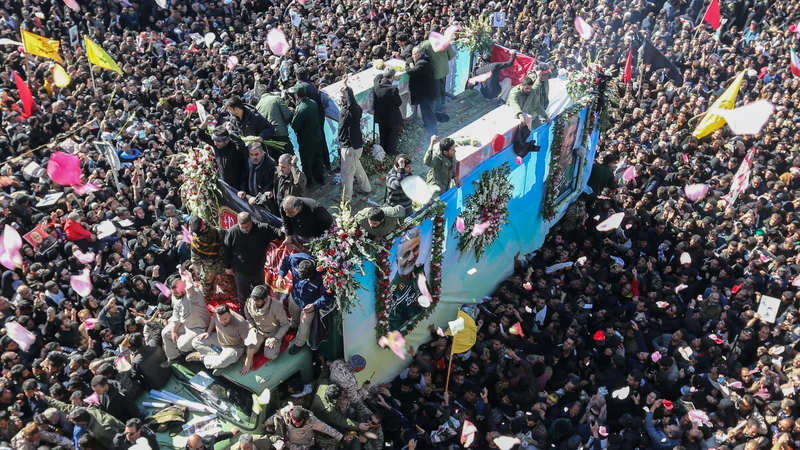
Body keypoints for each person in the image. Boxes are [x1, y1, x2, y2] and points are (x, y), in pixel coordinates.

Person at [223, 212, 283, 309]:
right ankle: (244, 310)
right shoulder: (232, 232)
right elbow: (226, 250)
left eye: (247, 226)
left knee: (261, 292)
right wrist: (227, 266)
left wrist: (285, 232)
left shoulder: (262, 229)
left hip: (258, 269)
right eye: (242, 227)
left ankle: (263, 309)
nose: (245, 229)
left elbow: (278, 233)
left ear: (251, 222)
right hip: (241, 271)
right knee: (243, 295)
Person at [277, 254, 334, 355]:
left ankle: (299, 343)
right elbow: (286, 262)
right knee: (293, 312)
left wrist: (315, 305)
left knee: (304, 325)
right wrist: (280, 276)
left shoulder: (323, 277)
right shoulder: (295, 259)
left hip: (309, 305)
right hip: (295, 296)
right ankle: (294, 325)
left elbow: (327, 296)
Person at [160, 267, 210, 367]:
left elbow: (190, 288)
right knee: (165, 333)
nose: (174, 294)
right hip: (186, 325)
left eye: (177, 292)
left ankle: (197, 350)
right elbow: (176, 316)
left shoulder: (193, 295)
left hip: (199, 327)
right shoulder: (176, 297)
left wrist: (185, 276)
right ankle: (173, 358)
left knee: (182, 345)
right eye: (173, 292)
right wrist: (174, 331)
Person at [240, 285, 290, 375]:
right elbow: (248, 316)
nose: (255, 303)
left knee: (270, 355)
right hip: (258, 330)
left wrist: (275, 338)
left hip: (273, 332)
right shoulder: (249, 302)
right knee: (249, 349)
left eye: (258, 301)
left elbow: (285, 324)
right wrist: (252, 327)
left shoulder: (276, 307)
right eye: (254, 300)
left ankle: (276, 343)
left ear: (265, 299)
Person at [187, 304, 250, 375]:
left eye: (225, 319)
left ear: (230, 315)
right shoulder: (217, 314)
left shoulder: (241, 323)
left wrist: (247, 364)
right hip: (220, 339)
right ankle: (219, 362)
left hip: (234, 347)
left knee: (222, 361)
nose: (223, 322)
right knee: (196, 342)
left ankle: (202, 358)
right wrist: (208, 332)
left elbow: (251, 345)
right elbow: (213, 319)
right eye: (220, 319)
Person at [338, 75, 371, 202]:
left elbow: (350, 100)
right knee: (357, 168)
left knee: (346, 175)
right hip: (352, 148)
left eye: (342, 98)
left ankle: (346, 200)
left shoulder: (354, 109)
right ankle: (366, 188)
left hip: (350, 148)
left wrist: (346, 87)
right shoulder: (347, 108)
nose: (340, 100)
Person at [388, 227, 428, 331]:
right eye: (406, 254)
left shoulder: (419, 271)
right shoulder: (393, 291)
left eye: (415, 249)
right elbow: (396, 326)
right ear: (397, 262)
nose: (411, 258)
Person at [188, 216, 232, 300]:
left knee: (206, 289)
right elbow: (228, 248)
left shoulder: (195, 241)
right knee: (230, 285)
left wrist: (200, 271)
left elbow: (195, 260)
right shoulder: (218, 232)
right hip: (223, 266)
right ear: (203, 225)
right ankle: (235, 301)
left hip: (207, 270)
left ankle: (205, 306)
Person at [197, 115, 248, 187]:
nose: (215, 143)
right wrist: (205, 123)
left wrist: (230, 132)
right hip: (225, 185)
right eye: (214, 141)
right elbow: (200, 134)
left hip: (239, 185)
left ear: (226, 140)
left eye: (218, 141)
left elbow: (241, 145)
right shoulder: (216, 146)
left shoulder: (234, 147)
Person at [290, 84, 326, 187]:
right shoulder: (312, 103)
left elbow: (294, 125)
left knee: (307, 162)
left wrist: (293, 113)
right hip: (317, 136)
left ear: (297, 96)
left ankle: (309, 182)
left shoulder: (300, 109)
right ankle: (320, 179)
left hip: (306, 140)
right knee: (318, 159)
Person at [266, 405, 344, 450]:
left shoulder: (311, 420)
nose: (297, 425)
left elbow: (325, 428)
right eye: (295, 422)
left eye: (299, 423)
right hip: (290, 440)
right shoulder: (286, 412)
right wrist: (266, 423)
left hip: (306, 443)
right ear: (291, 417)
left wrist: (340, 437)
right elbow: (276, 416)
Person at [421, 27, 456, 118]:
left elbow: (421, 57)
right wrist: (443, 61)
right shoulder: (445, 42)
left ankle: (436, 109)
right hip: (443, 70)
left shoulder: (426, 44)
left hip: (433, 72)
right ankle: (441, 106)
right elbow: (451, 56)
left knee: (435, 91)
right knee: (441, 88)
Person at [507, 66, 554, 131]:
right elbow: (514, 104)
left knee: (539, 130)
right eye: (526, 88)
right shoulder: (514, 92)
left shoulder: (532, 91)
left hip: (530, 116)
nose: (528, 90)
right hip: (515, 117)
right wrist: (520, 115)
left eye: (530, 88)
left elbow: (537, 105)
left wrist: (546, 117)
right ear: (521, 85)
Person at [255, 84, 294, 160]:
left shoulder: (258, 106)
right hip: (281, 133)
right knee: (290, 158)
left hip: (268, 138)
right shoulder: (276, 98)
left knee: (277, 160)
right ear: (269, 91)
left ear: (259, 94)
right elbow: (287, 115)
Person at [405, 46, 437, 138]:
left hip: (426, 94)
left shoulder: (422, 63)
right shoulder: (423, 59)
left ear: (419, 54)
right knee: (426, 112)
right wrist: (411, 62)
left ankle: (432, 132)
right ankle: (430, 128)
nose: (412, 56)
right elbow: (408, 59)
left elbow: (410, 71)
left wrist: (410, 65)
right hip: (425, 93)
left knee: (427, 113)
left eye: (414, 54)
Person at [373, 67, 403, 156]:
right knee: (392, 137)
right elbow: (399, 102)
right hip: (392, 117)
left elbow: (377, 77)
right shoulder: (393, 89)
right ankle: (391, 153)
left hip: (381, 117)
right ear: (392, 77)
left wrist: (385, 73)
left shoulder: (377, 85)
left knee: (383, 135)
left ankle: (383, 151)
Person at [11, 422, 75, 450]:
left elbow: (55, 438)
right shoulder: (21, 445)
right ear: (29, 437)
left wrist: (71, 445)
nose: (38, 436)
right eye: (36, 437)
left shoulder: (37, 431)